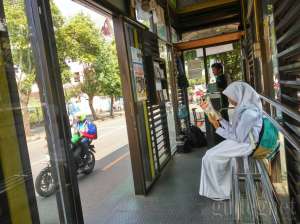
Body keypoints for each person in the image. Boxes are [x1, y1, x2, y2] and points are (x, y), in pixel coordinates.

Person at [199, 81, 263, 200]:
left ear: (238, 95)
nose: (229, 101)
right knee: (209, 156)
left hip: (245, 145)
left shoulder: (249, 113)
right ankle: (219, 189)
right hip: (242, 141)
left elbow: (237, 136)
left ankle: (220, 192)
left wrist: (218, 127)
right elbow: (236, 132)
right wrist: (220, 119)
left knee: (210, 157)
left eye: (230, 98)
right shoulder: (245, 108)